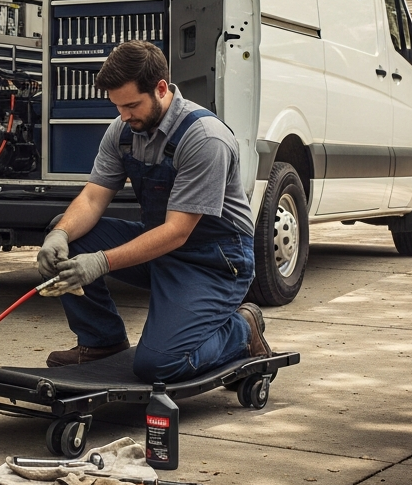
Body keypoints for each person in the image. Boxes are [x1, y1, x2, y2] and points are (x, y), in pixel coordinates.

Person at [36, 40, 271, 383]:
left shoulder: (204, 138)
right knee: (69, 233)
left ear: (161, 88)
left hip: (214, 262)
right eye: (117, 107)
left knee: (158, 365)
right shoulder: (124, 131)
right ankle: (102, 342)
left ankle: (241, 329)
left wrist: (101, 262)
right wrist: (59, 235)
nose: (124, 115)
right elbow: (91, 200)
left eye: (131, 105)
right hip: (160, 250)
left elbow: (178, 231)